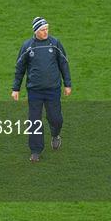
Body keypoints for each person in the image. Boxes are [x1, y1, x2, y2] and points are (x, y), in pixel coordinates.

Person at [11, 17, 72, 162]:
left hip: (53, 90)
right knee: (34, 121)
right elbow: (19, 68)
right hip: (35, 91)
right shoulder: (28, 46)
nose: (46, 32)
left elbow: (64, 64)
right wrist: (16, 88)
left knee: (55, 119)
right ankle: (35, 151)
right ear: (36, 31)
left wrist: (67, 84)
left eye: (47, 29)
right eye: (43, 30)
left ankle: (55, 134)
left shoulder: (55, 43)